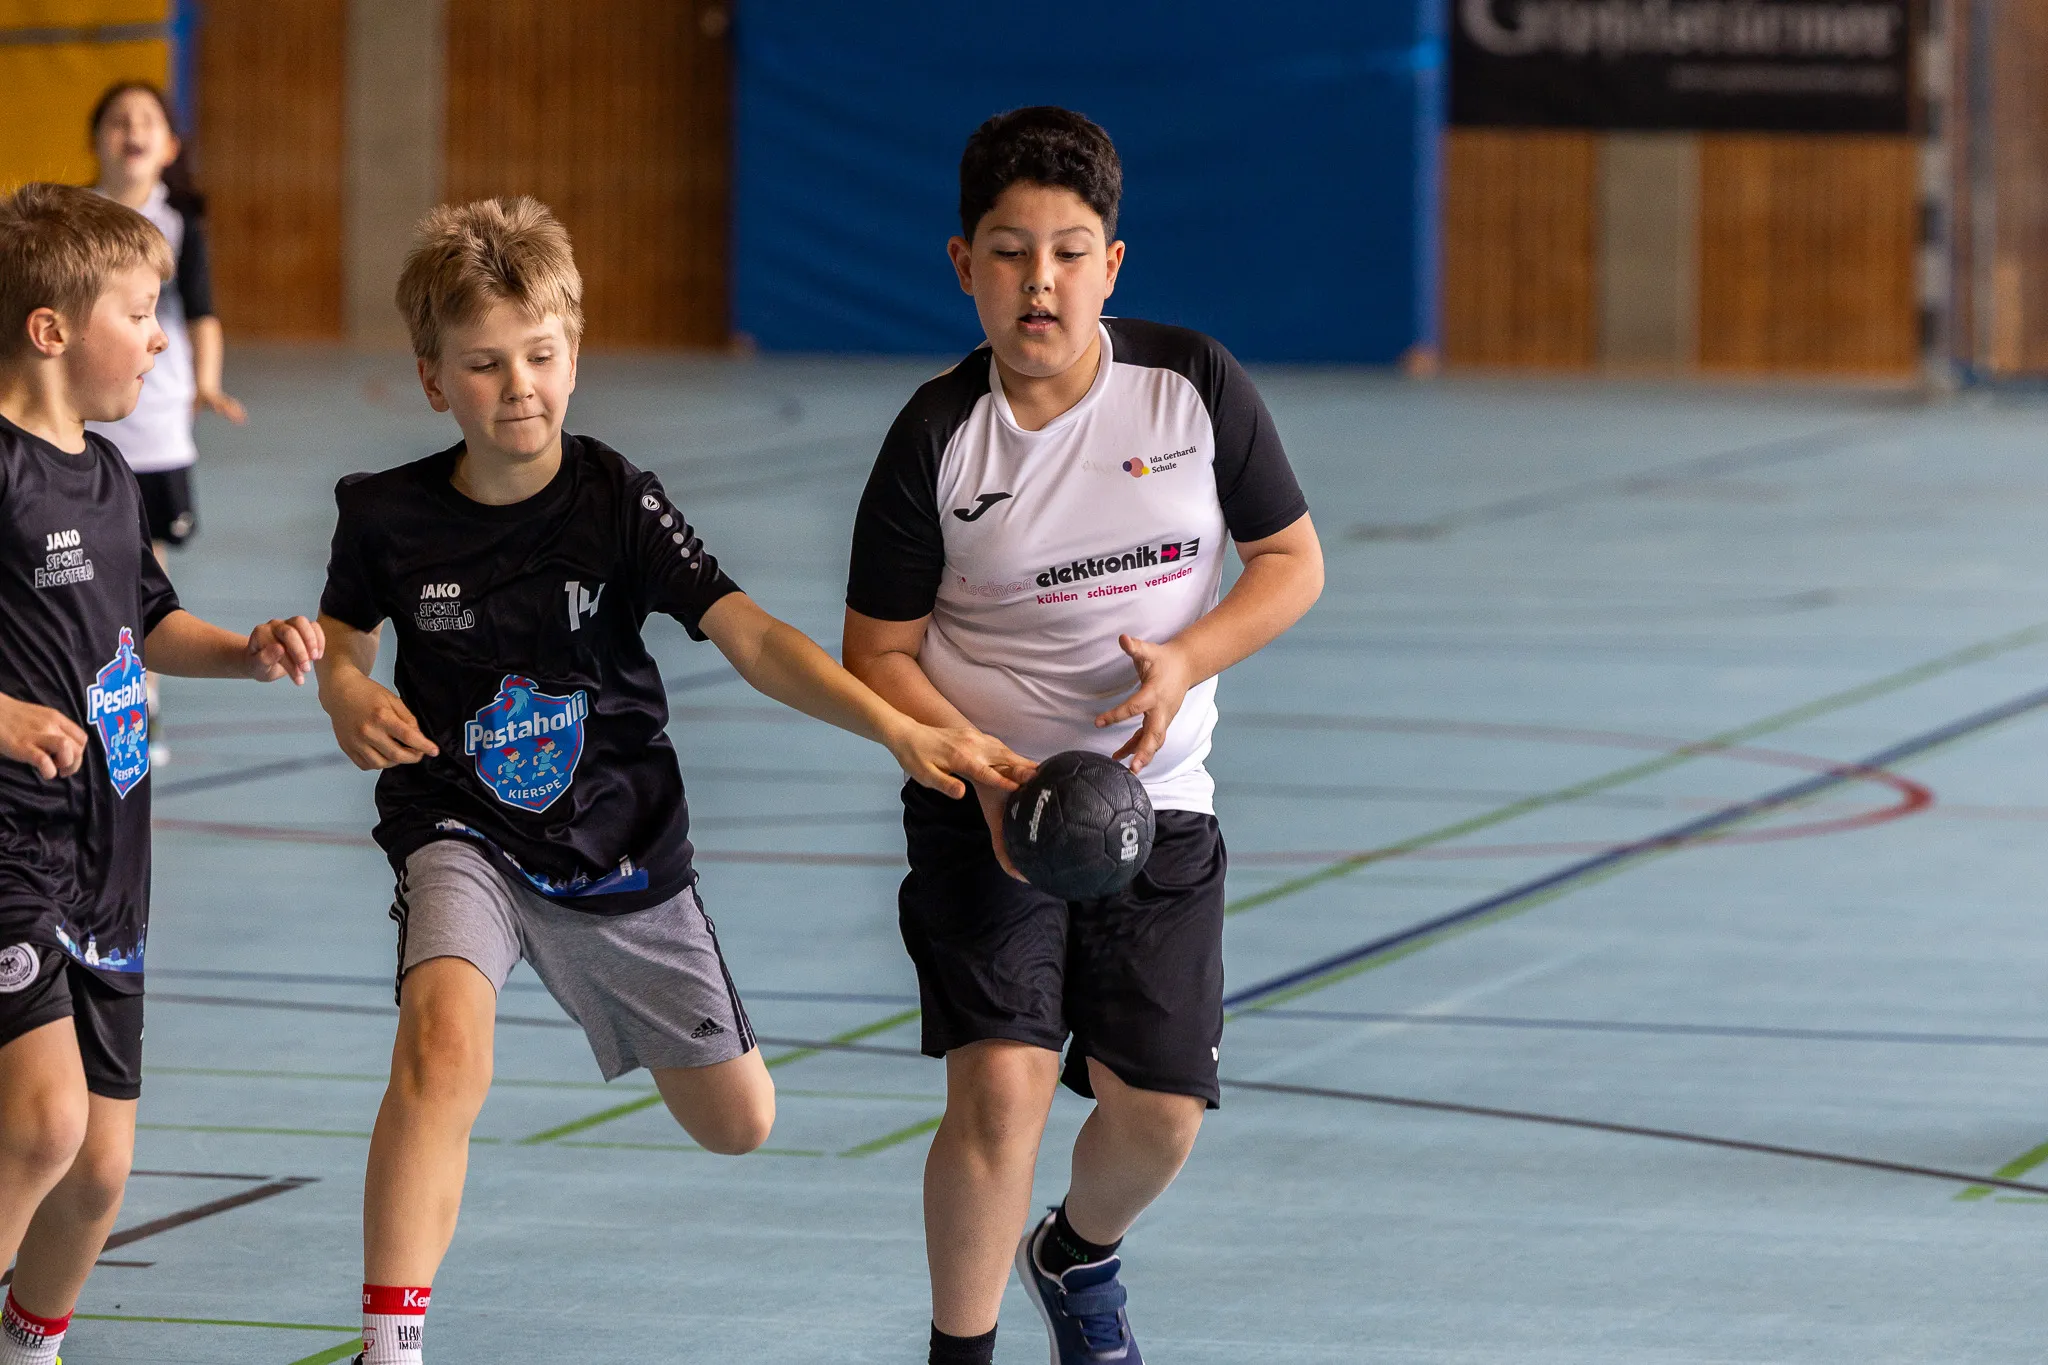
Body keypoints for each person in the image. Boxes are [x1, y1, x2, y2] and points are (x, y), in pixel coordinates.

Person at [314, 196, 1029, 1365]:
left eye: (540, 357)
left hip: (619, 843)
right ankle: (390, 1347)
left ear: (574, 355)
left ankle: (600, 980)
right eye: (485, 365)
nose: (519, 387)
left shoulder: (615, 499)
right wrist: (346, 692)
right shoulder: (386, 518)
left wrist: (895, 728)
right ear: (434, 381)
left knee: (740, 1124)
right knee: (444, 1043)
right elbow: (344, 642)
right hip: (464, 828)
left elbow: (750, 638)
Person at [842, 107, 1324, 1365]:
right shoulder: (936, 439)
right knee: (998, 1088)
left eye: (1066, 251)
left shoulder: (1193, 385)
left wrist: (1186, 659)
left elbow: (1290, 562)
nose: (1036, 280)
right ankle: (962, 1349)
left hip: (1154, 796)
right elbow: (876, 653)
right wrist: (986, 776)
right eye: (1007, 253)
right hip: (982, 797)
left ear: (1110, 265)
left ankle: (1075, 1252)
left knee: (1159, 1112)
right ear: (964, 266)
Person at [0, 182, 322, 1365]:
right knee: (39, 1126)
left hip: (112, 861)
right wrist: (5, 718)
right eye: (139, 313)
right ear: (50, 329)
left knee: (97, 1168)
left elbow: (149, 625)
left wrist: (243, 653)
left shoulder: (113, 476)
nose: (158, 336)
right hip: (10, 842)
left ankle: (29, 1346)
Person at [83, 81, 248, 764]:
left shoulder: (178, 226)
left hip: (155, 432)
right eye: (118, 119)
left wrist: (205, 381)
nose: (132, 129)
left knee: (141, 572)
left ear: (169, 145)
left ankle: (137, 694)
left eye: (147, 119)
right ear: (96, 139)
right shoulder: (74, 221)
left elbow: (202, 313)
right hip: (85, 424)